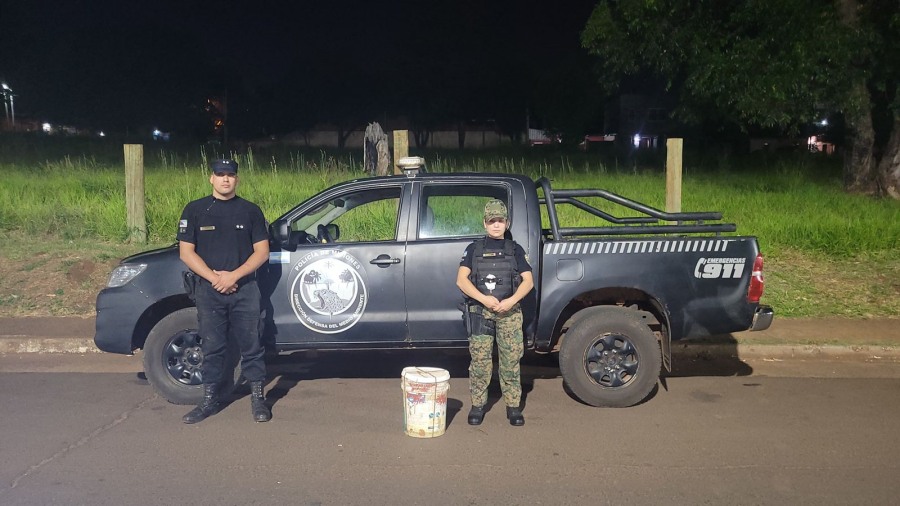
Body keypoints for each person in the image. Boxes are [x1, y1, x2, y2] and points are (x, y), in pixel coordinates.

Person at [177, 158, 271, 424]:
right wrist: (214, 278)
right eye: (220, 174)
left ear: (236, 179)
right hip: (209, 290)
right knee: (213, 346)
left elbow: (262, 251)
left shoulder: (250, 211)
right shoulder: (195, 210)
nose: (226, 179)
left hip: (245, 288)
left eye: (230, 175)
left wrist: (234, 276)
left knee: (252, 346)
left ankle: (258, 399)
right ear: (212, 178)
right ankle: (209, 400)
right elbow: (186, 252)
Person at [456, 199, 534, 426]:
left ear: (507, 223)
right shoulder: (474, 249)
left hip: (509, 313)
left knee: (510, 362)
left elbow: (528, 282)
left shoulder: (515, 249)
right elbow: (461, 280)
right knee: (480, 363)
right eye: (492, 221)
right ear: (485, 223)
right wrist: (484, 300)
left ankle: (513, 407)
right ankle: (478, 406)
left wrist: (510, 301)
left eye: (500, 221)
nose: (496, 225)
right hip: (481, 312)